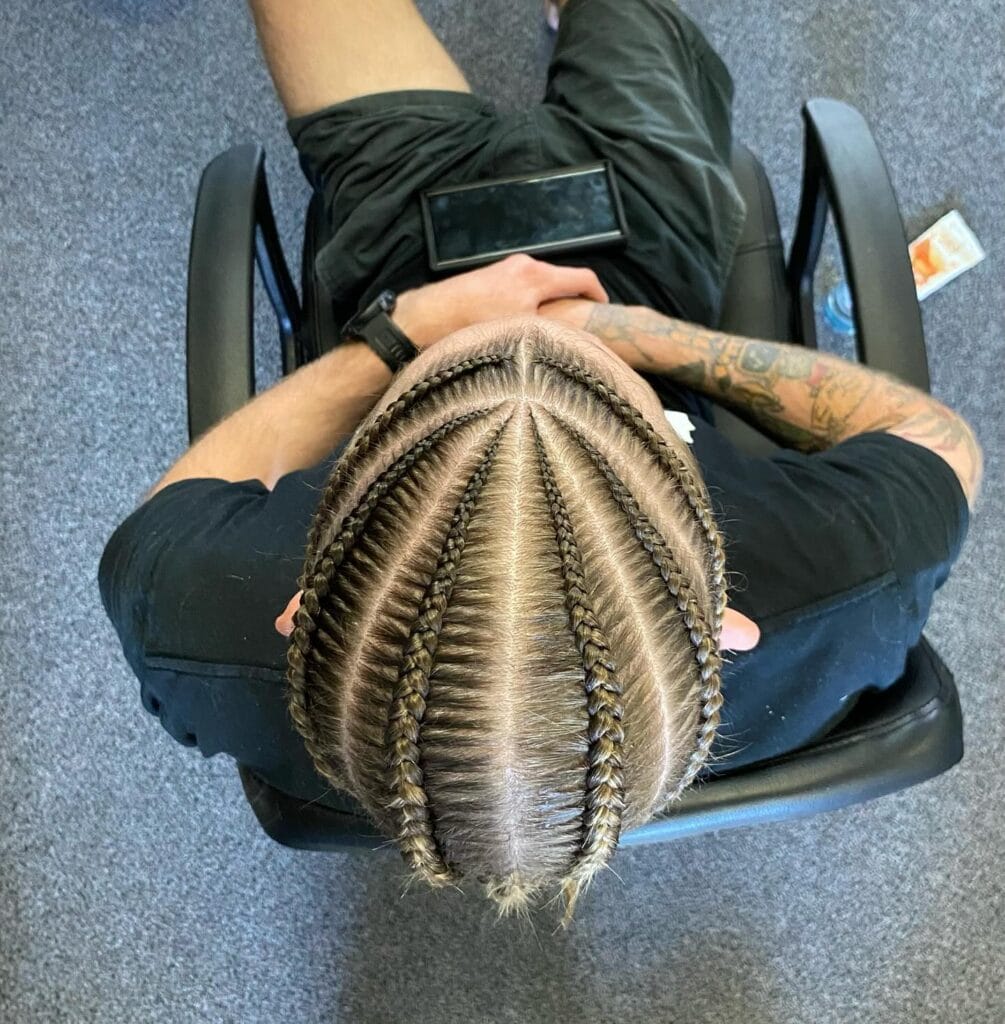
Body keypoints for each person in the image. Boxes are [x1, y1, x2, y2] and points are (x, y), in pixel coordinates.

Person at [98, 0, 982, 925]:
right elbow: (943, 442)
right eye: (602, 405)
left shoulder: (199, 624)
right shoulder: (847, 574)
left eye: (446, 397)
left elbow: (172, 508)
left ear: (299, 611)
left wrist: (400, 340)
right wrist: (628, 334)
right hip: (635, 265)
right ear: (723, 623)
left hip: (405, 272)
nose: (519, 320)